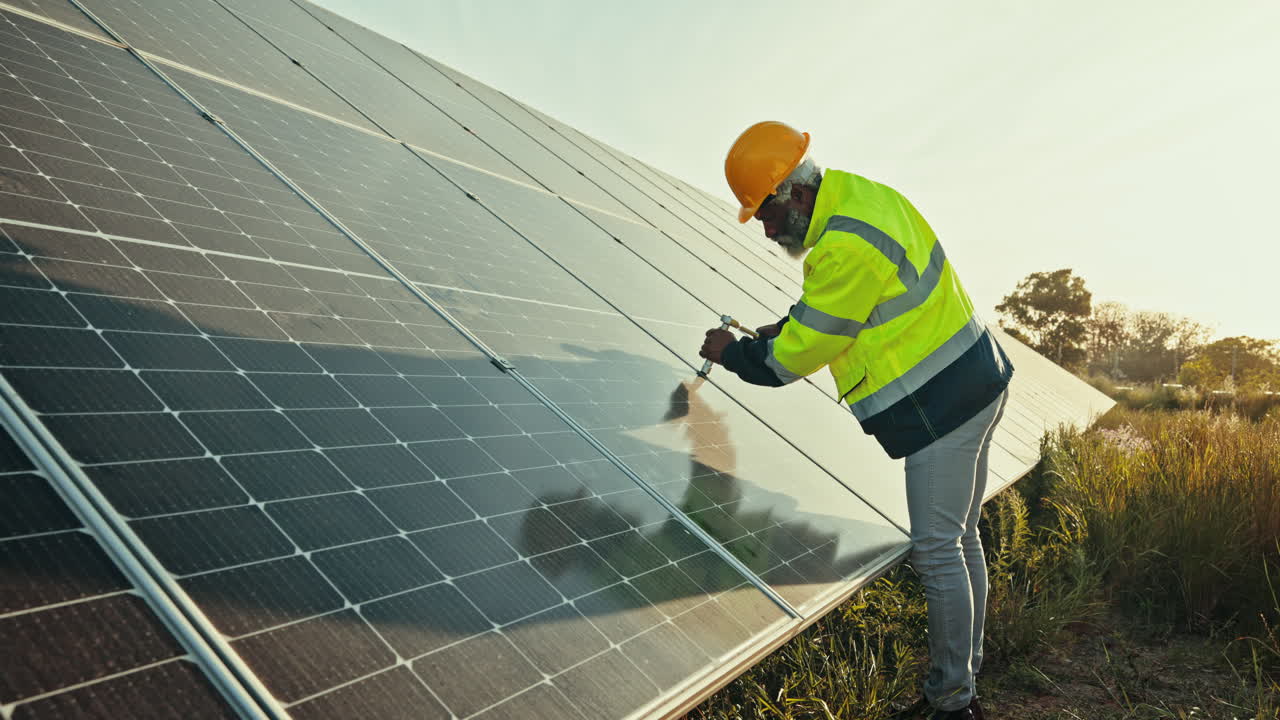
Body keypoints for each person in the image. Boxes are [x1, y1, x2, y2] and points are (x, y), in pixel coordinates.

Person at [699, 121, 1014, 720]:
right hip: (975, 378)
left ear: (795, 193)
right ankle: (965, 677)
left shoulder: (843, 245)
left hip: (942, 405)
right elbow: (848, 305)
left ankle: (954, 704)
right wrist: (785, 325)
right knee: (960, 536)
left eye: (767, 214)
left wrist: (732, 352)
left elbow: (791, 359)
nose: (766, 230)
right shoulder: (862, 199)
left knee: (935, 550)